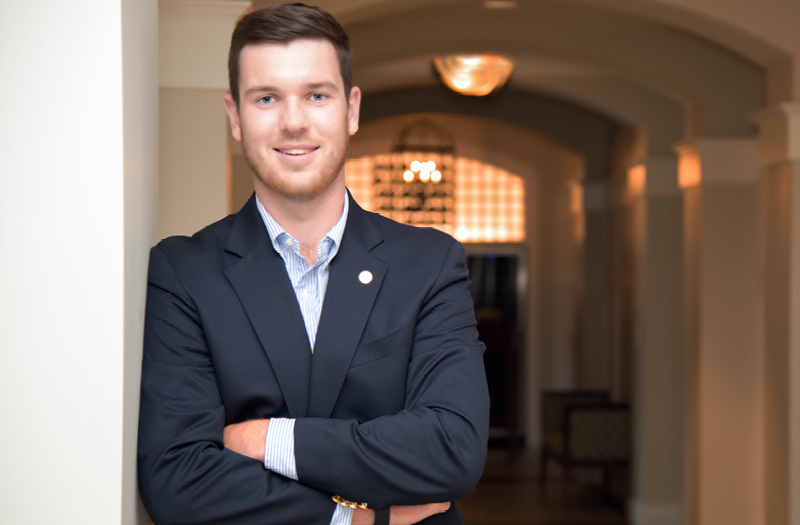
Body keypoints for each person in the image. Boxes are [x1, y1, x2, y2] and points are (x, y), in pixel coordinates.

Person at [137, 4, 489, 524]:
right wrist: (359, 519)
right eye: (267, 98)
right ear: (236, 117)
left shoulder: (430, 264)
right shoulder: (183, 272)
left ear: (350, 109)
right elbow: (177, 480)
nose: (294, 121)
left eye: (316, 95)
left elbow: (453, 449)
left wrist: (265, 436)